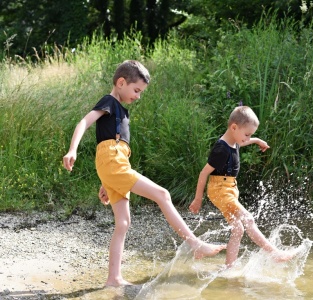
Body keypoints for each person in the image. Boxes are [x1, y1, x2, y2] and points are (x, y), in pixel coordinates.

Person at [62, 60, 226, 287]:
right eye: (136, 90)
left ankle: (114, 278)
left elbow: (108, 152)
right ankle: (194, 244)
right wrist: (73, 150)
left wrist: (107, 182)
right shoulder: (109, 101)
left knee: (123, 222)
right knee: (163, 194)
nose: (138, 96)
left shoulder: (120, 110)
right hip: (114, 164)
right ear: (121, 82)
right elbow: (85, 122)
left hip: (115, 165)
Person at [189, 106, 296, 268]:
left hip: (230, 189)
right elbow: (204, 174)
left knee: (238, 228)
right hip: (220, 190)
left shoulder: (234, 141)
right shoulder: (221, 149)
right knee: (248, 218)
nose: (248, 138)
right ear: (234, 127)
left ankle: (229, 266)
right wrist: (198, 199)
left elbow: (242, 143)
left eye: (251, 135)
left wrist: (257, 141)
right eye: (247, 134)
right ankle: (275, 253)